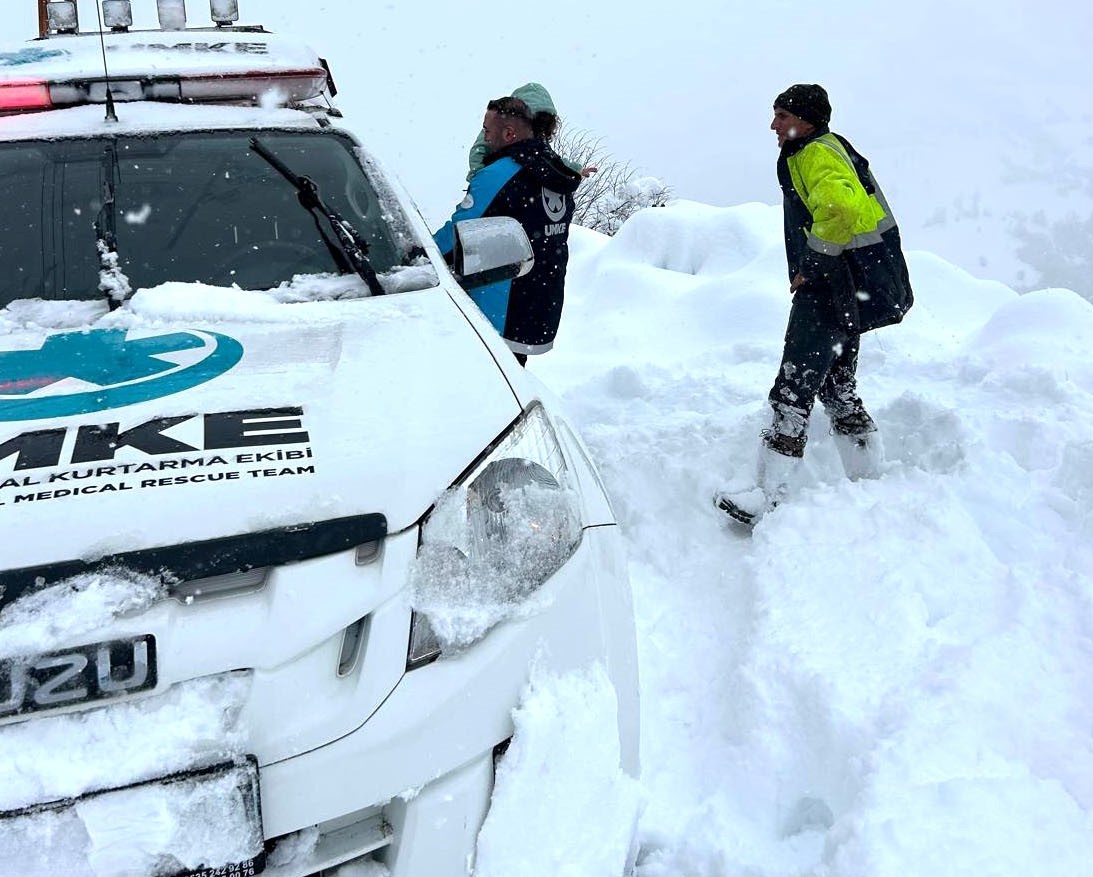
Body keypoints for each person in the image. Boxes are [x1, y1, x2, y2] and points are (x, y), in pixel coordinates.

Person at [715, 83, 913, 525]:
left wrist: (813, 263)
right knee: (837, 386)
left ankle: (768, 497)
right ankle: (869, 479)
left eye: (781, 117)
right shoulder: (827, 148)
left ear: (805, 120)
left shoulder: (815, 153)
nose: (773, 125)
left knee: (794, 386)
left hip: (830, 284)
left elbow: (840, 209)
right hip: (851, 284)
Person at [434, 96, 583, 365]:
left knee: (480, 388)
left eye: (488, 131)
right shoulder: (554, 171)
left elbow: (457, 234)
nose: (486, 139)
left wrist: (418, 255)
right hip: (538, 305)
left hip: (500, 308)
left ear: (509, 133)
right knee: (510, 387)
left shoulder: (501, 173)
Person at [465, 82, 595, 182]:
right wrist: (479, 178)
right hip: (495, 183)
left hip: (517, 190)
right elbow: (479, 149)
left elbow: (552, 161)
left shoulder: (535, 141)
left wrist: (575, 169)